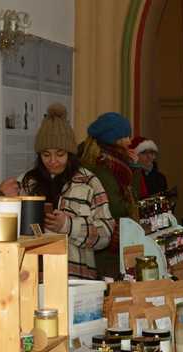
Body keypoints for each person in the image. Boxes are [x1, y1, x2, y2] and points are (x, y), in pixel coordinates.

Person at [19, 104, 114, 279]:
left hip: (76, 281)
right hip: (32, 278)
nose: (53, 161)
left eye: (60, 154)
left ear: (70, 154)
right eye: (46, 155)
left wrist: (68, 226)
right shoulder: (26, 183)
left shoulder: (90, 183)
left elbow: (106, 234)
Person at [79, 112, 145, 278]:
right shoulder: (104, 168)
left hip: (110, 242)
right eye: (126, 136)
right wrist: (134, 171)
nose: (130, 142)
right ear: (115, 139)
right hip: (108, 247)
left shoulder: (115, 164)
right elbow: (116, 208)